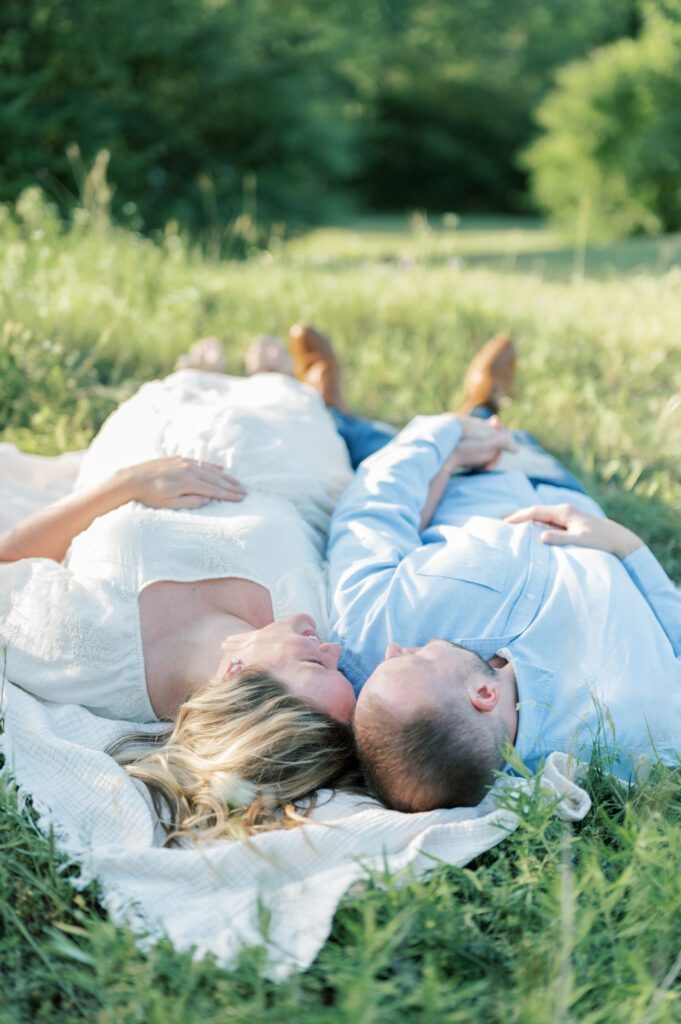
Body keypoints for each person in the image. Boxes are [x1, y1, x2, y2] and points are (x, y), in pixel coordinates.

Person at [1, 329, 386, 844]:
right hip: (286, 447)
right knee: (291, 397)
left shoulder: (90, 656)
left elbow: (8, 559)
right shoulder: (318, 614)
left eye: (316, 662)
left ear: (236, 674)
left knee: (176, 386)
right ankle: (286, 383)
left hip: (149, 444)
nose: (336, 647)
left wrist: (128, 485)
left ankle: (196, 376)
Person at [327, 338, 681, 813]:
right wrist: (625, 544)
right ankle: (478, 401)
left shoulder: (367, 639)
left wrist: (446, 435)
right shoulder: (640, 738)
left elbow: (371, 511)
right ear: (484, 694)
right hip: (552, 482)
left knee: (360, 441)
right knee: (513, 439)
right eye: (412, 660)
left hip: (458, 475)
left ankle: (455, 406)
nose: (393, 650)